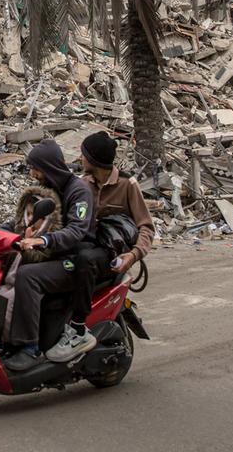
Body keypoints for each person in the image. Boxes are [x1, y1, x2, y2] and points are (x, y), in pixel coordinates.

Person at [45, 131, 156, 364]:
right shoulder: (82, 183)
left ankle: (77, 329)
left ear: (94, 160)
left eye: (84, 154)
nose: (80, 158)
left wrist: (132, 256)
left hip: (111, 254)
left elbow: (146, 227)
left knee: (84, 261)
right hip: (89, 246)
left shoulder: (127, 185)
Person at [4, 139, 95, 372]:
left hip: (74, 259)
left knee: (27, 277)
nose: (33, 174)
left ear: (49, 167)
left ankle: (29, 348)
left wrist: (44, 240)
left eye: (36, 169)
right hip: (53, 254)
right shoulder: (50, 189)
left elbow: (76, 230)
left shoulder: (79, 191)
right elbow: (31, 217)